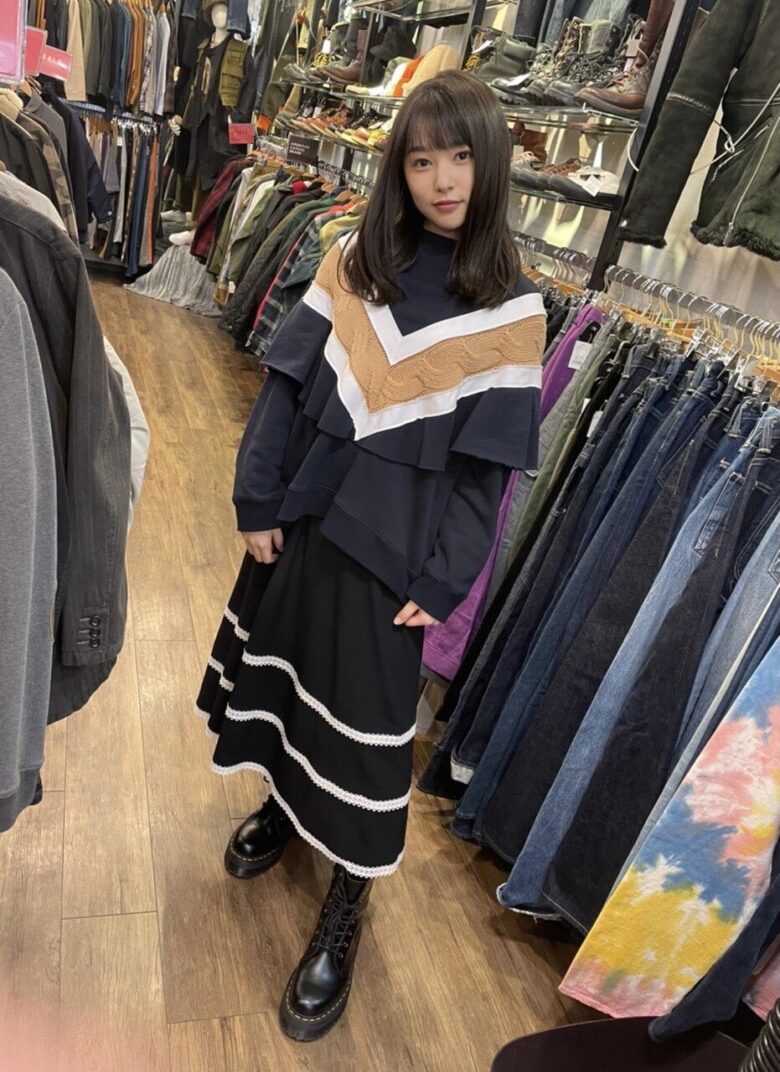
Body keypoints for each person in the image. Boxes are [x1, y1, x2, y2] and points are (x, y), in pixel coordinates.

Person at [195, 69, 546, 1042]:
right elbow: (284, 384)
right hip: (304, 521)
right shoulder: (355, 259)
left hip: (394, 563)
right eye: (422, 160)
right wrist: (256, 495)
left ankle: (345, 905)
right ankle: (283, 804)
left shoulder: (513, 312)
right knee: (284, 679)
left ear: (491, 164)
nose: (442, 179)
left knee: (367, 731)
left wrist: (445, 578)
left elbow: (486, 476)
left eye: (460, 157)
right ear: (399, 169)